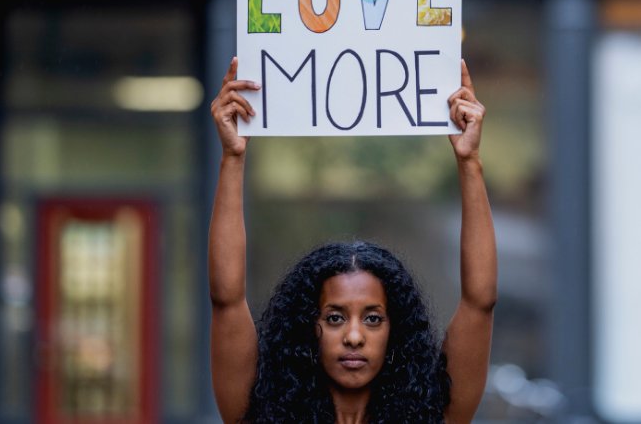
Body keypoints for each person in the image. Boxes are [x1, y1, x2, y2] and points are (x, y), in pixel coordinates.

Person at [208, 57, 497, 424]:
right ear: (307, 329)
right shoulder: (261, 413)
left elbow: (480, 302)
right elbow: (226, 300)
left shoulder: (433, 414)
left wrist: (470, 161)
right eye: (334, 318)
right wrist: (232, 158)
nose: (354, 337)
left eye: (373, 318)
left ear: (395, 331)